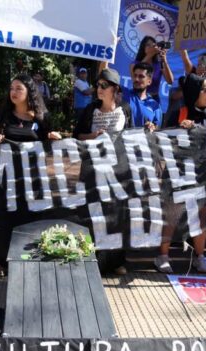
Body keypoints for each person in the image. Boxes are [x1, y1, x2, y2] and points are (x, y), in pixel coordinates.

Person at [0, 74, 63, 278]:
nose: (14, 92)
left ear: (29, 91)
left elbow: (48, 147)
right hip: (6, 176)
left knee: (31, 217)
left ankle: (28, 261)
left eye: (19, 88)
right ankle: (0, 263)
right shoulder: (3, 113)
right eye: (12, 88)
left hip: (33, 178)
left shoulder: (42, 117)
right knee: (5, 219)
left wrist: (54, 138)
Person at [154, 74, 206, 274]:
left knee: (202, 217)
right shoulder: (179, 111)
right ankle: (162, 256)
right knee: (172, 214)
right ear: (194, 92)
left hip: (202, 173)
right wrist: (181, 130)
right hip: (178, 171)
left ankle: (200, 257)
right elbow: (164, 137)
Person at [74, 69, 133, 275]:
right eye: (98, 85)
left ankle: (117, 261)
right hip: (92, 169)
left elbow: (132, 137)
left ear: (115, 89)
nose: (99, 89)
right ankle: (93, 259)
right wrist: (92, 135)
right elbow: (77, 136)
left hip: (117, 170)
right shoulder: (90, 109)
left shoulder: (125, 109)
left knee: (116, 214)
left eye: (103, 86)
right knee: (94, 213)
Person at [121, 62, 162, 129]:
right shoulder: (123, 93)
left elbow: (157, 129)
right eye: (135, 76)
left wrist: (152, 127)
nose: (136, 79)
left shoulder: (155, 105)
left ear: (149, 81)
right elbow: (106, 80)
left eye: (141, 76)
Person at [132, 36, 174, 101]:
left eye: (153, 45)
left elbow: (170, 81)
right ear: (143, 48)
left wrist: (164, 60)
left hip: (153, 99)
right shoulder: (135, 63)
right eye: (148, 45)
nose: (151, 47)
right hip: (137, 97)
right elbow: (136, 70)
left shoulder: (158, 64)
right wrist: (151, 53)